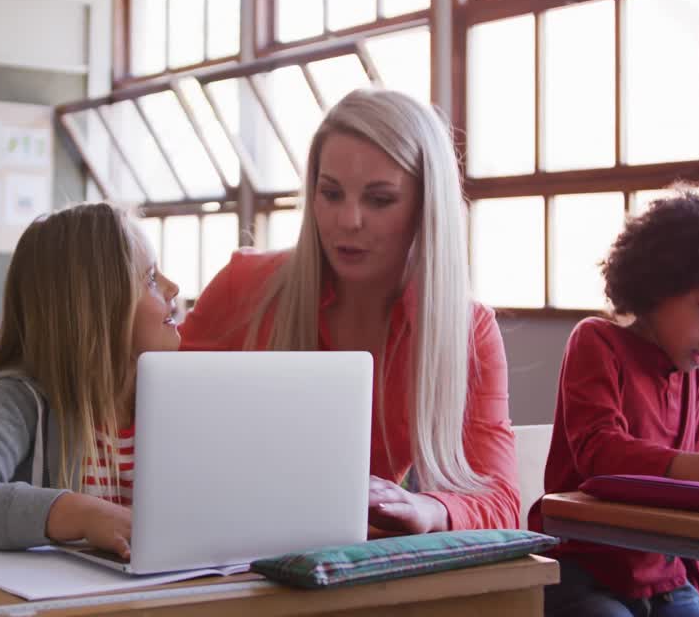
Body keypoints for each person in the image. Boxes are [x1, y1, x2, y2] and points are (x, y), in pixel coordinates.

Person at [179, 88, 519, 536]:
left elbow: (501, 501)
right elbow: (150, 422)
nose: (349, 220)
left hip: (343, 564)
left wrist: (429, 510)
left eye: (379, 200)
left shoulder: (466, 331)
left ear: (425, 206)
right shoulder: (246, 285)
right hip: (223, 541)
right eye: (331, 193)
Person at [528, 184, 699, 617]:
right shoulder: (597, 341)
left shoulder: (690, 377)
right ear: (660, 283)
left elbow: (679, 496)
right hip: (583, 572)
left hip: (664, 580)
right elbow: (599, 453)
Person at [0, 203, 180, 556]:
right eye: (150, 278)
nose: (173, 287)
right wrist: (80, 513)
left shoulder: (171, 401)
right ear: (97, 306)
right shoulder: (17, 399)